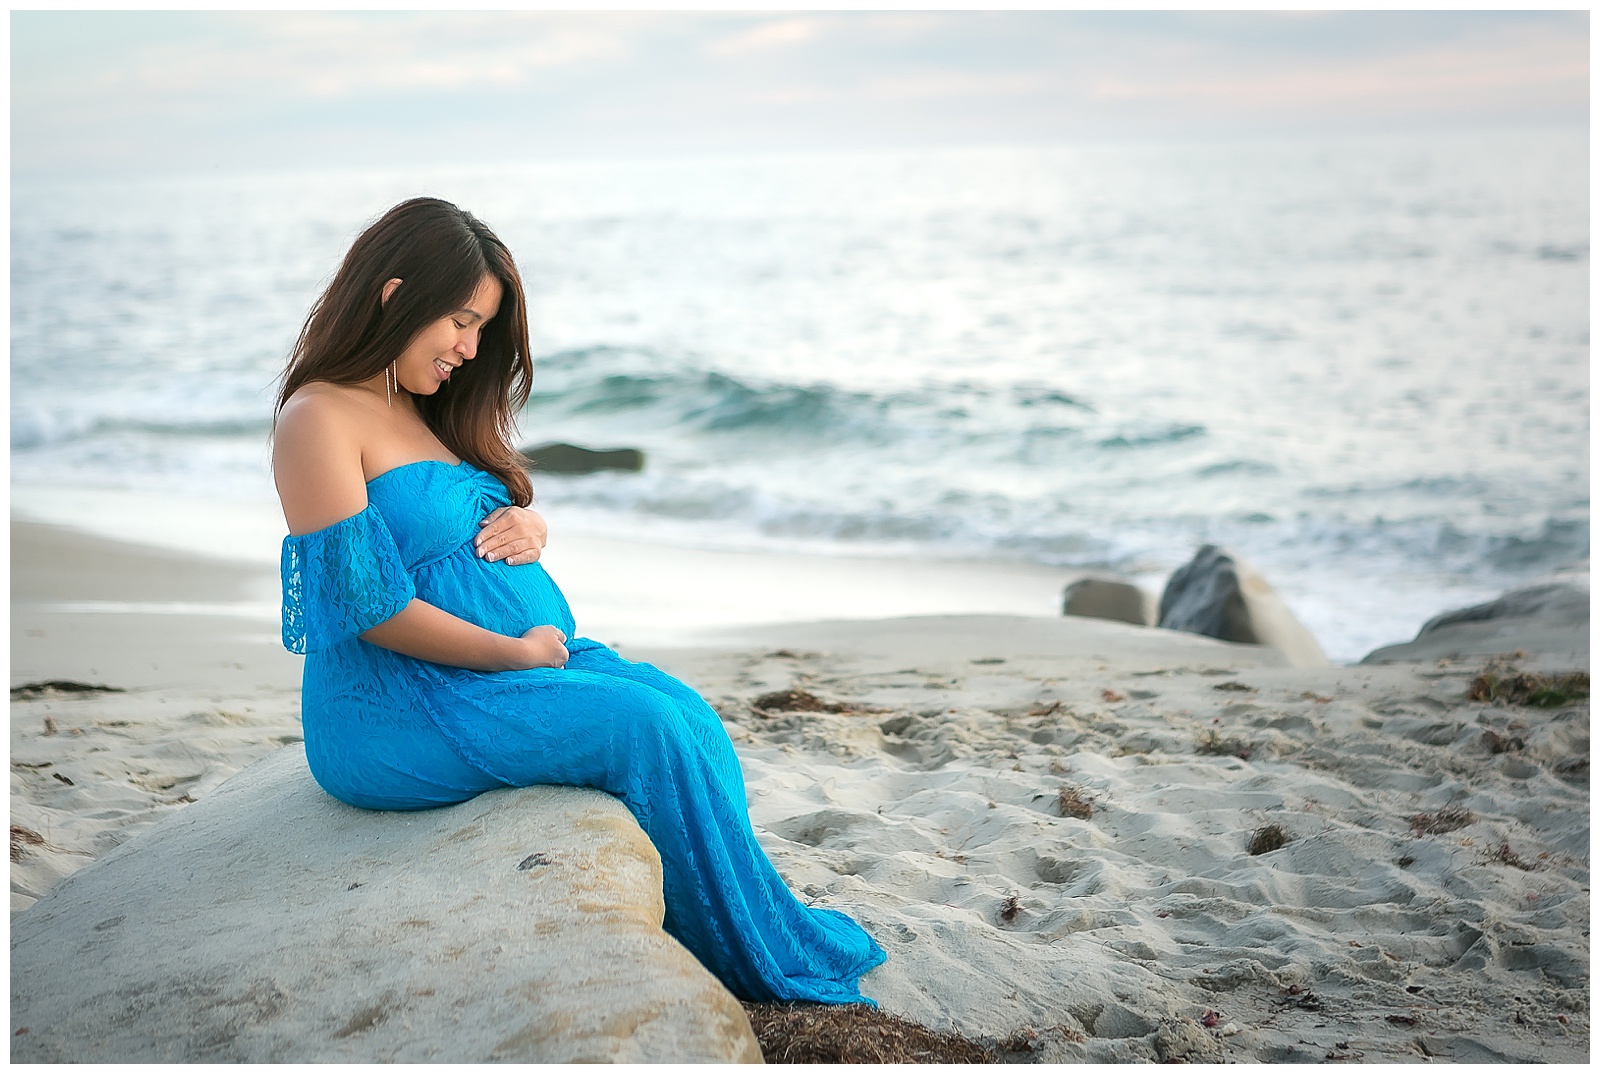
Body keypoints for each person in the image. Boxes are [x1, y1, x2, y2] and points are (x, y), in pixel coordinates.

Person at [272, 197, 885, 1005]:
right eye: (460, 321)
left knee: (687, 711)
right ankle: (741, 959)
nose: (470, 347)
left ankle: (741, 924)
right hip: (395, 704)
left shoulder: (415, 407)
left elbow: (455, 519)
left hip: (494, 674)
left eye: (482, 328)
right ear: (393, 297)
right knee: (647, 728)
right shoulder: (317, 418)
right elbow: (370, 611)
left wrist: (529, 522)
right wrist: (513, 650)